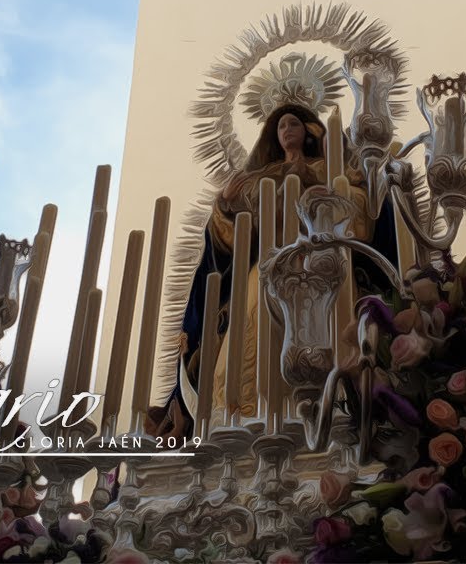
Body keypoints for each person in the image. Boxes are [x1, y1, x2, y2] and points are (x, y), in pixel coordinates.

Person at [144, 104, 398, 437]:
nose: (287, 129)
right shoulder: (257, 179)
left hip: (325, 264)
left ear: (309, 132)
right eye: (280, 126)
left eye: (294, 123)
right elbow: (232, 239)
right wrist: (224, 206)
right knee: (251, 320)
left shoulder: (329, 168)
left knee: (335, 327)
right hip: (269, 267)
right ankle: (246, 418)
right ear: (273, 137)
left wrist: (318, 178)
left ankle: (337, 409)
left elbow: (363, 218)